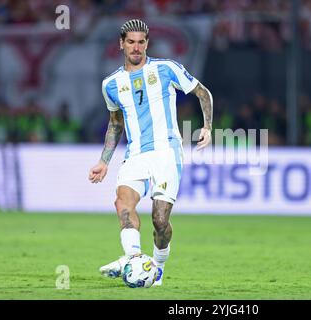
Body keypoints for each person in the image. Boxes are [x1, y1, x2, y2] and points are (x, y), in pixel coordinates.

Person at [88, 19, 213, 286]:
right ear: (121, 44)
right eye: (131, 42)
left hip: (166, 152)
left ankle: (157, 266)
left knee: (159, 220)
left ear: (147, 43)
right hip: (135, 155)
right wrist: (104, 160)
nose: (136, 47)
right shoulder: (111, 84)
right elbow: (115, 124)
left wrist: (208, 127)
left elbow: (203, 93)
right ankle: (134, 258)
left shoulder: (166, 69)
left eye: (141, 42)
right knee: (123, 204)